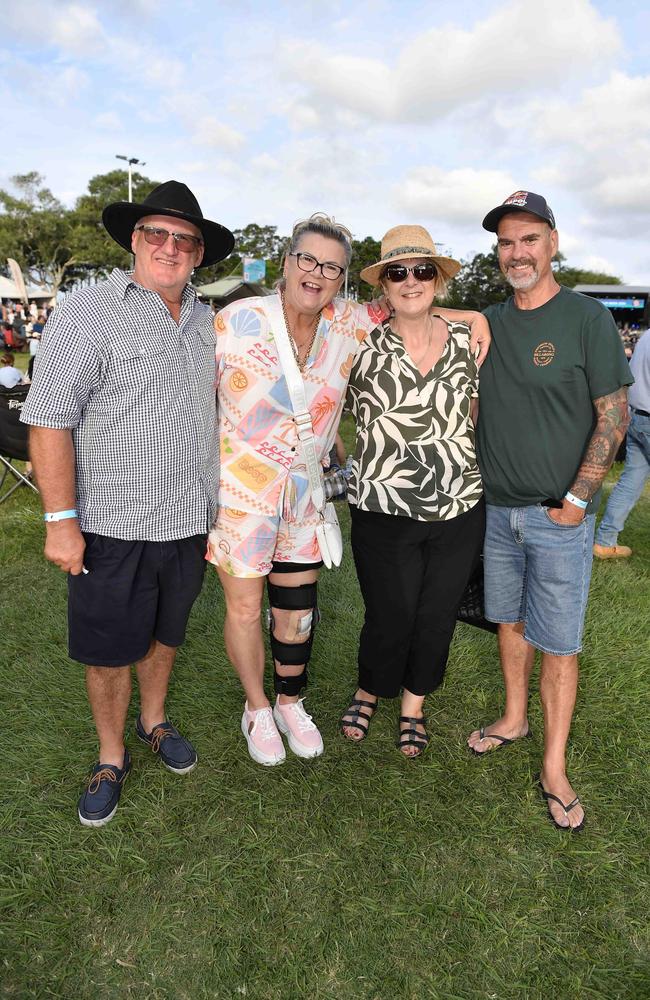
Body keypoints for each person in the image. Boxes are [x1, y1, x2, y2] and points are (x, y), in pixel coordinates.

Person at [207, 214, 490, 766]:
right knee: (244, 611)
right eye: (308, 261)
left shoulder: (349, 324)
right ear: (287, 262)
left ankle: (291, 701)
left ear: (342, 280)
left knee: (296, 611)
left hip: (305, 498)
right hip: (242, 496)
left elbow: (414, 307)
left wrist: (473, 313)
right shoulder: (232, 321)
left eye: (331, 267)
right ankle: (257, 707)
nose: (317, 273)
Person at [21, 181, 234, 827]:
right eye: (156, 234)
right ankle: (111, 754)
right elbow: (49, 418)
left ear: (198, 254)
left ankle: (154, 720)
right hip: (112, 523)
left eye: (183, 239)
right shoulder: (87, 310)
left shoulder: (205, 320)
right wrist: (60, 522)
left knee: (165, 635)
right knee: (110, 649)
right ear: (134, 240)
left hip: (188, 521)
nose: (169, 248)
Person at [466, 191, 632, 831]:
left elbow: (613, 418)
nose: (517, 253)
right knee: (507, 620)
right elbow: (419, 310)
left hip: (557, 516)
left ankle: (555, 766)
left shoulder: (586, 318)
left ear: (552, 242)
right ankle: (513, 716)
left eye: (529, 239)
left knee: (559, 644)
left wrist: (578, 500)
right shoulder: (489, 322)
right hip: (497, 513)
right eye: (506, 242)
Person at [340, 226, 485, 756]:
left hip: (459, 506)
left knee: (436, 614)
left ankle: (413, 704)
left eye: (423, 270)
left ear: (438, 279)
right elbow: (326, 405)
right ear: (384, 284)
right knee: (389, 611)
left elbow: (476, 413)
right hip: (382, 507)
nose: (410, 281)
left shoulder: (471, 341)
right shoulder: (359, 345)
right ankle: (368, 688)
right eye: (397, 272)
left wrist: (476, 315)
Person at [593, 329, 649, 558]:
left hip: (637, 416)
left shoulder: (646, 336)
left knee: (631, 481)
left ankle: (605, 542)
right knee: (630, 481)